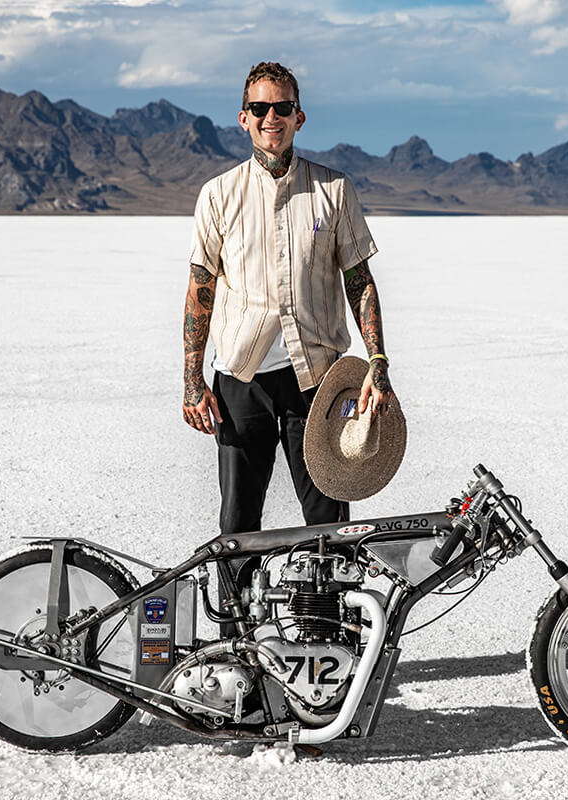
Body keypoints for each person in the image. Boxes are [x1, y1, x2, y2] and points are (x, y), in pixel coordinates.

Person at [182, 61, 395, 622]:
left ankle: (325, 638)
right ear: (243, 119)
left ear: (299, 117)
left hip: (317, 383)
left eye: (282, 108)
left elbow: (359, 280)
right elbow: (201, 289)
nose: (270, 117)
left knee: (328, 524)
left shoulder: (333, 191)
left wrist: (377, 360)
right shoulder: (218, 195)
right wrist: (192, 381)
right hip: (241, 381)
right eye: (259, 108)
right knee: (238, 524)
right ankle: (239, 640)